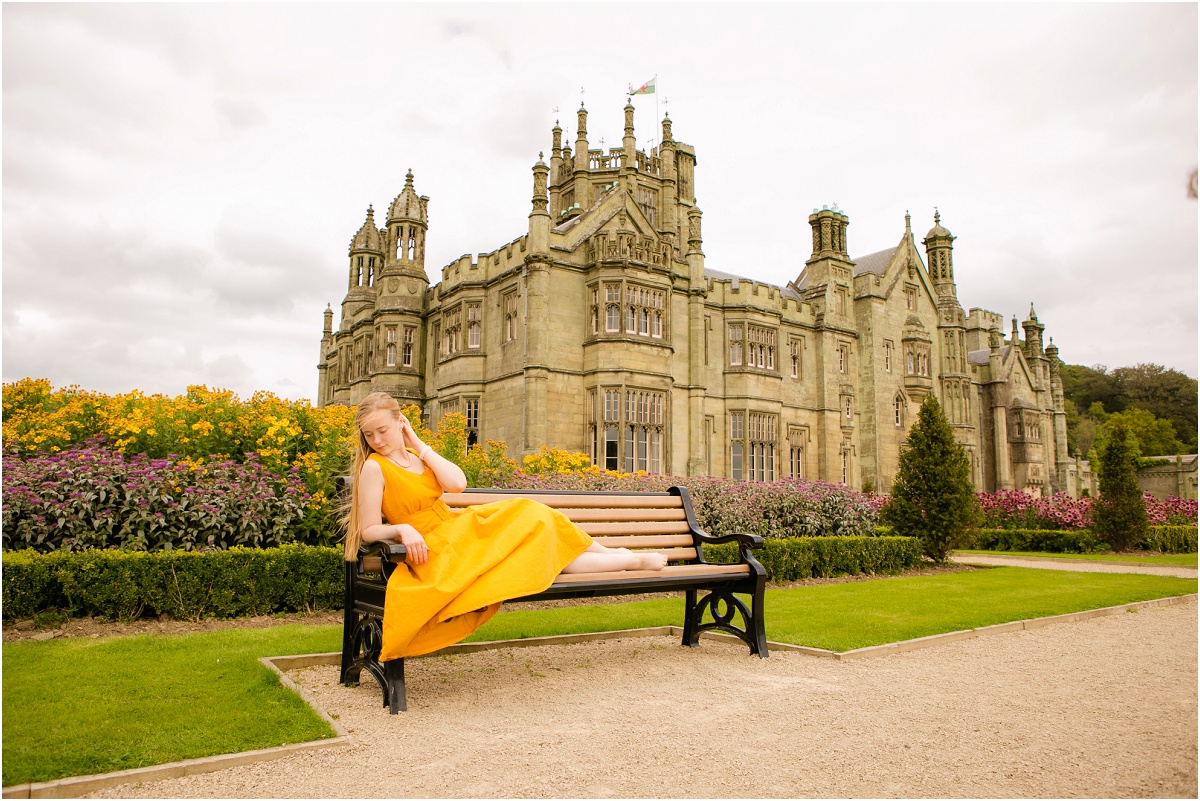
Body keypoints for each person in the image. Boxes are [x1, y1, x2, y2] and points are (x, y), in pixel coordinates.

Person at [343, 391, 667, 662]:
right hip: (438, 548)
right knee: (534, 535)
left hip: (457, 529)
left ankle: (618, 556)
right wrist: (401, 530)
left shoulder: (416, 456)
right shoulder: (374, 467)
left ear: (400, 423)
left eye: (383, 431)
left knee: (534, 512)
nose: (377, 440)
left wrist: (417, 441)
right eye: (369, 435)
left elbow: (457, 484)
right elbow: (369, 530)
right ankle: (629, 560)